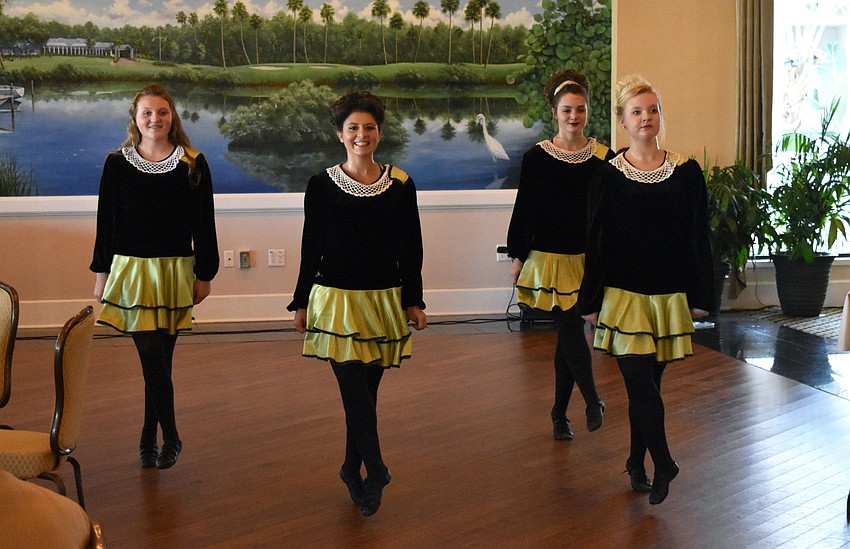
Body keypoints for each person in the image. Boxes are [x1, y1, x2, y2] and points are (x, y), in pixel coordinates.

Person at [287, 91, 427, 517]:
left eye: (369, 127)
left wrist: (414, 299)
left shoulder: (401, 185)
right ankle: (377, 467)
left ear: (379, 133)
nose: (361, 134)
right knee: (354, 391)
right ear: (340, 134)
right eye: (353, 128)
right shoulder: (321, 185)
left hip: (384, 301)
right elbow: (311, 248)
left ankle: (352, 468)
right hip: (335, 302)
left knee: (365, 394)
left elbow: (412, 249)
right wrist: (300, 303)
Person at [578, 75, 713, 505]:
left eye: (653, 109)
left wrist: (701, 297)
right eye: (637, 112)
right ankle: (665, 461)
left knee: (648, 387)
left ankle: (638, 463)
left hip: (669, 297)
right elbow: (595, 240)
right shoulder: (607, 175)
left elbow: (698, 237)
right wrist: (590, 300)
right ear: (622, 121)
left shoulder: (687, 172)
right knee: (640, 384)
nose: (647, 118)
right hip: (624, 297)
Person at [90, 84, 219, 470]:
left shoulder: (193, 163)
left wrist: (205, 273)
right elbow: (105, 224)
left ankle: (148, 437)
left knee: (161, 360)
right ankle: (173, 435)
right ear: (135, 119)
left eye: (162, 112)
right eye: (147, 113)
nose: (154, 119)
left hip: (175, 271)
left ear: (172, 118)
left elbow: (205, 225)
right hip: (130, 272)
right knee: (151, 356)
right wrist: (101, 273)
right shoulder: (117, 163)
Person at [507, 69, 612, 441]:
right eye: (567, 110)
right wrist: (518, 256)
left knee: (567, 336)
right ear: (554, 111)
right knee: (570, 325)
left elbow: (610, 214)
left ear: (588, 111)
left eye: (580, 109)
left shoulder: (604, 157)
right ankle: (593, 400)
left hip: (588, 259)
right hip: (548, 259)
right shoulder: (536, 158)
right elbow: (525, 210)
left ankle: (557, 414)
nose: (574, 117)